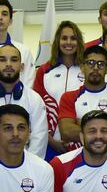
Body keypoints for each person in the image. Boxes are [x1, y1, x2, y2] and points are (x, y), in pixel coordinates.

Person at [0, 44, 48, 157]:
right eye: (2, 60)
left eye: (14, 60)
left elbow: (39, 138)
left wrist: (26, 167)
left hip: (24, 167)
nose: (8, 64)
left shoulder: (34, 99)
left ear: (22, 67)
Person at [58, 46, 107, 152]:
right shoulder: (69, 97)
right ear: (82, 67)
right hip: (78, 161)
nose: (96, 67)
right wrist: (106, 130)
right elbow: (66, 131)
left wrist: (81, 123)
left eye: (101, 64)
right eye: (91, 63)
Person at [33, 20, 86, 160]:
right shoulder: (44, 71)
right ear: (57, 41)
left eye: (73, 38)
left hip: (81, 143)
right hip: (49, 143)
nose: (68, 42)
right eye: (64, 38)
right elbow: (36, 110)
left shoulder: (87, 70)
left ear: (79, 41)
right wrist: (51, 140)